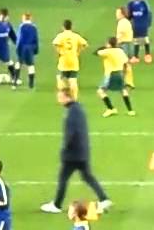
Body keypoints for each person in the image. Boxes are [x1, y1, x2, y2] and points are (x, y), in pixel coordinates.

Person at [39, 86, 112, 216]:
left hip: (73, 154)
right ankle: (104, 199)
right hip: (82, 151)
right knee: (87, 176)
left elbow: (71, 134)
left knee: (63, 178)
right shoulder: (78, 109)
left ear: (67, 97)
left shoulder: (72, 112)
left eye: (60, 97)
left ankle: (56, 205)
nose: (58, 99)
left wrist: (65, 149)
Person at [95, 36, 135, 118]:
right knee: (123, 91)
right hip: (119, 73)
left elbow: (96, 52)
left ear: (109, 44)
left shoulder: (107, 51)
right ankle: (130, 110)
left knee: (100, 91)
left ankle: (111, 109)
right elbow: (126, 62)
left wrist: (105, 47)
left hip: (110, 74)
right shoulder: (120, 51)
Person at [52, 19, 89, 97]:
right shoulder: (75, 35)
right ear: (71, 27)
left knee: (60, 79)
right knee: (73, 80)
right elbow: (85, 44)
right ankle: (74, 98)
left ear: (63, 27)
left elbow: (55, 44)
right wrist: (78, 52)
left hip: (63, 61)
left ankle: (63, 97)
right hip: (73, 60)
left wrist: (59, 52)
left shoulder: (61, 35)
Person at [127, 0, 153, 64]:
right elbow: (129, 15)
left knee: (145, 39)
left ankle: (147, 55)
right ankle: (136, 56)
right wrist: (128, 23)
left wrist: (148, 23)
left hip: (143, 24)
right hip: (135, 24)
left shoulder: (144, 3)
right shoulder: (130, 4)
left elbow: (149, 14)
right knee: (136, 40)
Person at [113, 7, 136, 88]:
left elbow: (120, 34)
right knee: (126, 64)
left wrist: (115, 44)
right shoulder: (126, 22)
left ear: (122, 14)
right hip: (128, 43)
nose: (116, 15)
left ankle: (123, 82)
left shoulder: (122, 22)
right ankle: (128, 82)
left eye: (117, 13)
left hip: (124, 44)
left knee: (122, 64)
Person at [16, 12, 40, 90]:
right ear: (30, 18)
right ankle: (31, 85)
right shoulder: (34, 27)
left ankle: (15, 82)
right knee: (31, 66)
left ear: (24, 18)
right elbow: (36, 39)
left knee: (18, 63)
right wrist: (36, 50)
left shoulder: (21, 27)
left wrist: (18, 49)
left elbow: (19, 39)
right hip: (30, 48)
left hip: (22, 48)